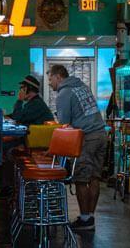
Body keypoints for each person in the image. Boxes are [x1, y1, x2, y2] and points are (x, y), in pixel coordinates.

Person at [46, 64, 108, 231]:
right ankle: (90, 217)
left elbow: (64, 125)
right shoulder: (82, 86)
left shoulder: (64, 93)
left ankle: (85, 218)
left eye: (50, 79)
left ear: (59, 77)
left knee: (81, 178)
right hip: (101, 134)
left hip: (87, 137)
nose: (49, 83)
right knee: (95, 177)